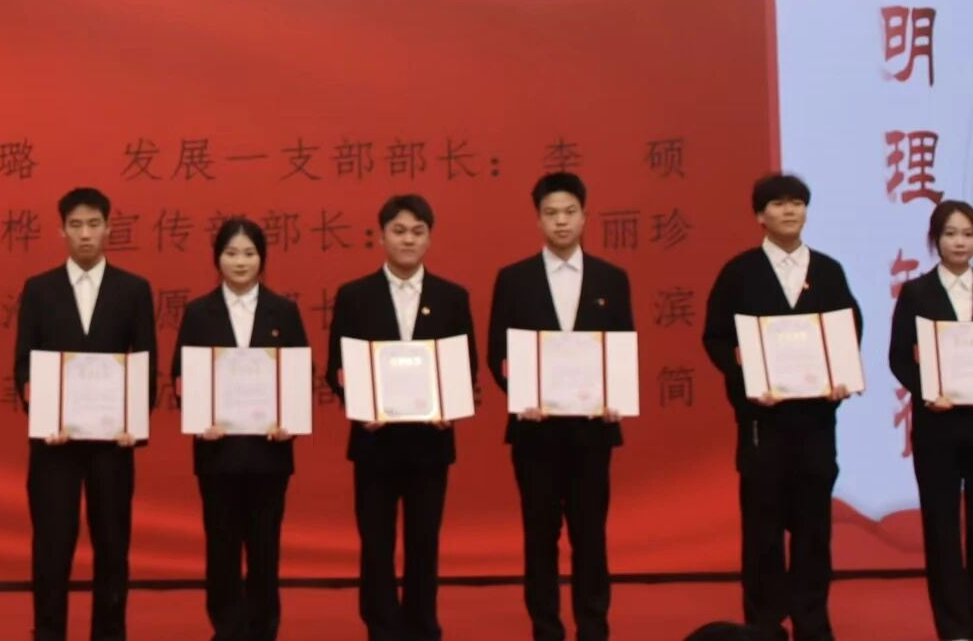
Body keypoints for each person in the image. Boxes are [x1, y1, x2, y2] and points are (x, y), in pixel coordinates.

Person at [701, 174, 861, 641]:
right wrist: (746, 376)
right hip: (762, 423)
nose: (789, 211)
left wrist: (840, 375)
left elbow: (850, 328)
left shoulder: (828, 271)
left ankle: (813, 623)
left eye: (797, 203)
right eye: (778, 204)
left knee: (813, 532)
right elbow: (715, 337)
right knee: (763, 533)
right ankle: (763, 626)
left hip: (815, 423)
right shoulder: (739, 272)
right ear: (759, 215)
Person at [486, 172, 632, 641]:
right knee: (540, 536)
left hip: (592, 432)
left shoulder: (612, 279)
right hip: (536, 432)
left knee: (590, 535)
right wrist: (521, 394)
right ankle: (546, 629)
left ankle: (593, 627)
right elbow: (497, 353)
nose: (561, 221)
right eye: (551, 213)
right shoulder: (514, 279)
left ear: (585, 216)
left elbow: (621, 348)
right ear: (538, 220)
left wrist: (614, 396)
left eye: (570, 212)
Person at [325, 193, 477, 641]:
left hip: (430, 443)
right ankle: (382, 628)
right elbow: (337, 366)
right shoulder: (355, 296)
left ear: (429, 238)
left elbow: (464, 364)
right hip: (375, 442)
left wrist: (450, 405)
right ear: (381, 236)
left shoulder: (452, 297)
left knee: (423, 543)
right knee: (376, 545)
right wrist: (359, 404)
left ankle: (423, 626)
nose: (408, 240)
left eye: (417, 231)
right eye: (398, 231)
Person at [14, 187, 157, 641]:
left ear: (109, 227)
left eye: (94, 224)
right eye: (75, 225)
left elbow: (146, 363)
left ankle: (110, 633)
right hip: (54, 445)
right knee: (52, 546)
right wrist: (42, 414)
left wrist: (135, 424)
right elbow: (24, 366)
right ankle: (48, 632)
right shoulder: (39, 290)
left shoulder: (133, 290)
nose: (85, 234)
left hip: (112, 445)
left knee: (112, 545)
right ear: (62, 231)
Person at [171, 217, 308, 641]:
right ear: (217, 258)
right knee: (222, 548)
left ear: (262, 258)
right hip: (219, 453)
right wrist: (199, 418)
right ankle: (227, 629)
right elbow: (180, 375)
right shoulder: (199, 313)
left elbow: (300, 373)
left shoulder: (284, 311)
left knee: (265, 548)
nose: (241, 262)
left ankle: (264, 628)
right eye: (231, 253)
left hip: (269, 452)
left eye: (249, 253)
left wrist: (291, 420)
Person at [888, 200, 973, 641]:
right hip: (938, 427)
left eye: (967, 234)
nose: (959, 242)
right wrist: (928, 391)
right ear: (935, 239)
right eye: (950, 233)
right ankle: (953, 630)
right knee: (941, 530)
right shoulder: (916, 293)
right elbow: (898, 357)